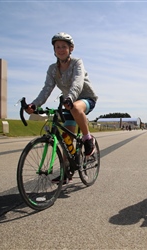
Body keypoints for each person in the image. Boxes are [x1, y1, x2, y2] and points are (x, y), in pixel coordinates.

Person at [25, 32, 98, 183]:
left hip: (85, 99)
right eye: (57, 46)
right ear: (54, 49)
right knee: (66, 139)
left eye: (64, 46)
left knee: (76, 109)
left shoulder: (77, 62)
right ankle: (67, 171)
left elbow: (77, 82)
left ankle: (87, 139)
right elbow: (46, 89)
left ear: (71, 48)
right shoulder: (52, 69)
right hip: (68, 103)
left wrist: (70, 97)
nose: (60, 49)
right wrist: (34, 104)